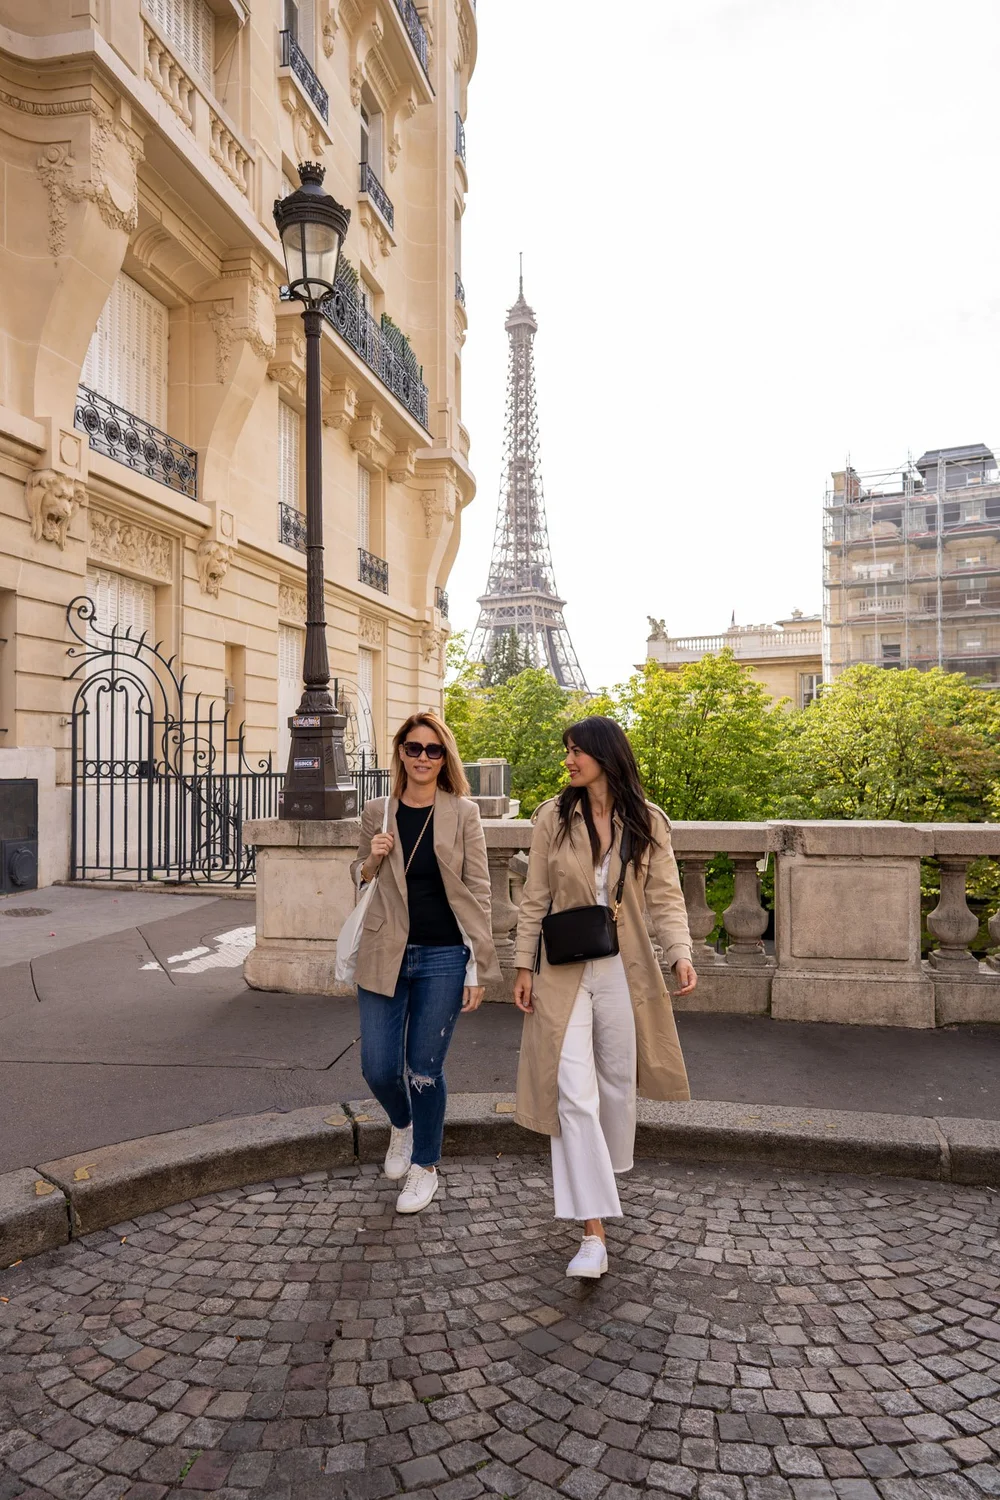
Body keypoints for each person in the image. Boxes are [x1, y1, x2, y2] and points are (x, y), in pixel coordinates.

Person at [512, 715, 697, 1278]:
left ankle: (602, 1174)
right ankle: (593, 1231)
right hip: (564, 968)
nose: (568, 761)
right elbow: (534, 897)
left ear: (604, 755)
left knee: (618, 1084)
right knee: (572, 1092)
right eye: (565, 751)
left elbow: (666, 896)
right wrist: (522, 964)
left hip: (623, 969)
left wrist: (680, 952)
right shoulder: (552, 817)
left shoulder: (647, 822)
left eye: (576, 752)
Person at [352, 710, 500, 1214]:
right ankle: (402, 1124)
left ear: (445, 758)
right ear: (399, 752)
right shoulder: (378, 810)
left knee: (424, 1070)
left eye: (432, 750)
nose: (422, 757)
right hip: (383, 952)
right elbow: (359, 875)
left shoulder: (464, 812)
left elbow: (479, 889)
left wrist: (478, 965)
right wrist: (372, 856)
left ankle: (425, 1166)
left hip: (442, 956)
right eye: (413, 748)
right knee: (377, 1066)